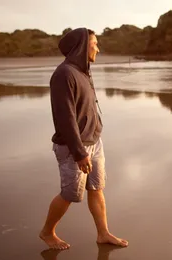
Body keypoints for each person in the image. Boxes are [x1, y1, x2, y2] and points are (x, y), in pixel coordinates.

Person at [39, 27, 128, 250]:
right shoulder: (64, 74)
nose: (98, 48)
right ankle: (47, 232)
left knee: (97, 187)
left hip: (94, 142)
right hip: (73, 148)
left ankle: (103, 233)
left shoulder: (83, 71)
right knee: (70, 194)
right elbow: (65, 118)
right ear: (81, 47)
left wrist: (95, 134)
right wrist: (79, 153)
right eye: (94, 44)